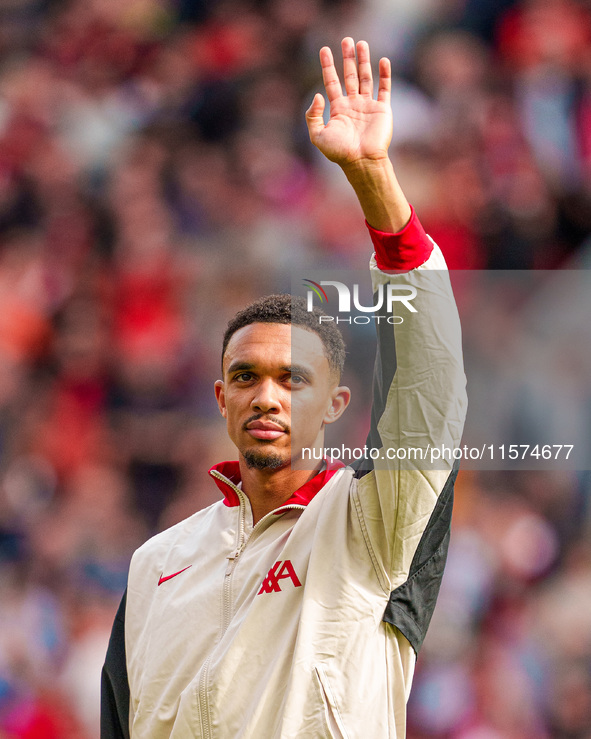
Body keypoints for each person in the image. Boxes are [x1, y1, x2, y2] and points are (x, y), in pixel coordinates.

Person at [101, 37, 467, 738]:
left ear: (334, 405)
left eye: (291, 378)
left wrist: (372, 181)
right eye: (246, 376)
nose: (267, 395)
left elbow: (430, 386)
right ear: (220, 399)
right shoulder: (154, 565)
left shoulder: (369, 524)